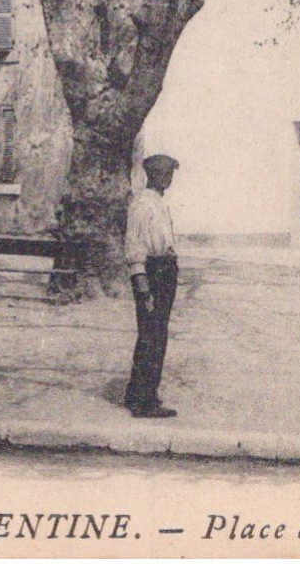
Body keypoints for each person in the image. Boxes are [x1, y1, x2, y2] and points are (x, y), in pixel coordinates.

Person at [123, 154, 181, 419]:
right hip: (152, 273)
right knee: (151, 336)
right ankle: (143, 400)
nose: (167, 179)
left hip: (165, 270)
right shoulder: (142, 205)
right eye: (162, 174)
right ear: (151, 175)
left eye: (169, 174)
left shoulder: (158, 202)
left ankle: (140, 392)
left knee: (157, 334)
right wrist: (143, 287)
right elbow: (134, 247)